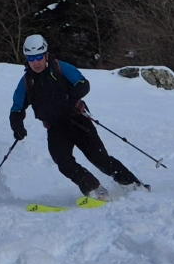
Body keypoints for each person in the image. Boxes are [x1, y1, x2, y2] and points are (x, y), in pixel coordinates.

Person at [10, 34, 144, 201]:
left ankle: (133, 185)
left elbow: (83, 84)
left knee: (100, 159)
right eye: (31, 58)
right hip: (55, 128)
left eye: (39, 57)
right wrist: (17, 127)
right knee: (63, 162)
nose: (35, 62)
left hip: (78, 122)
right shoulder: (27, 82)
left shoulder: (61, 68)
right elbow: (17, 109)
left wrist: (69, 97)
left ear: (46, 54)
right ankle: (95, 190)